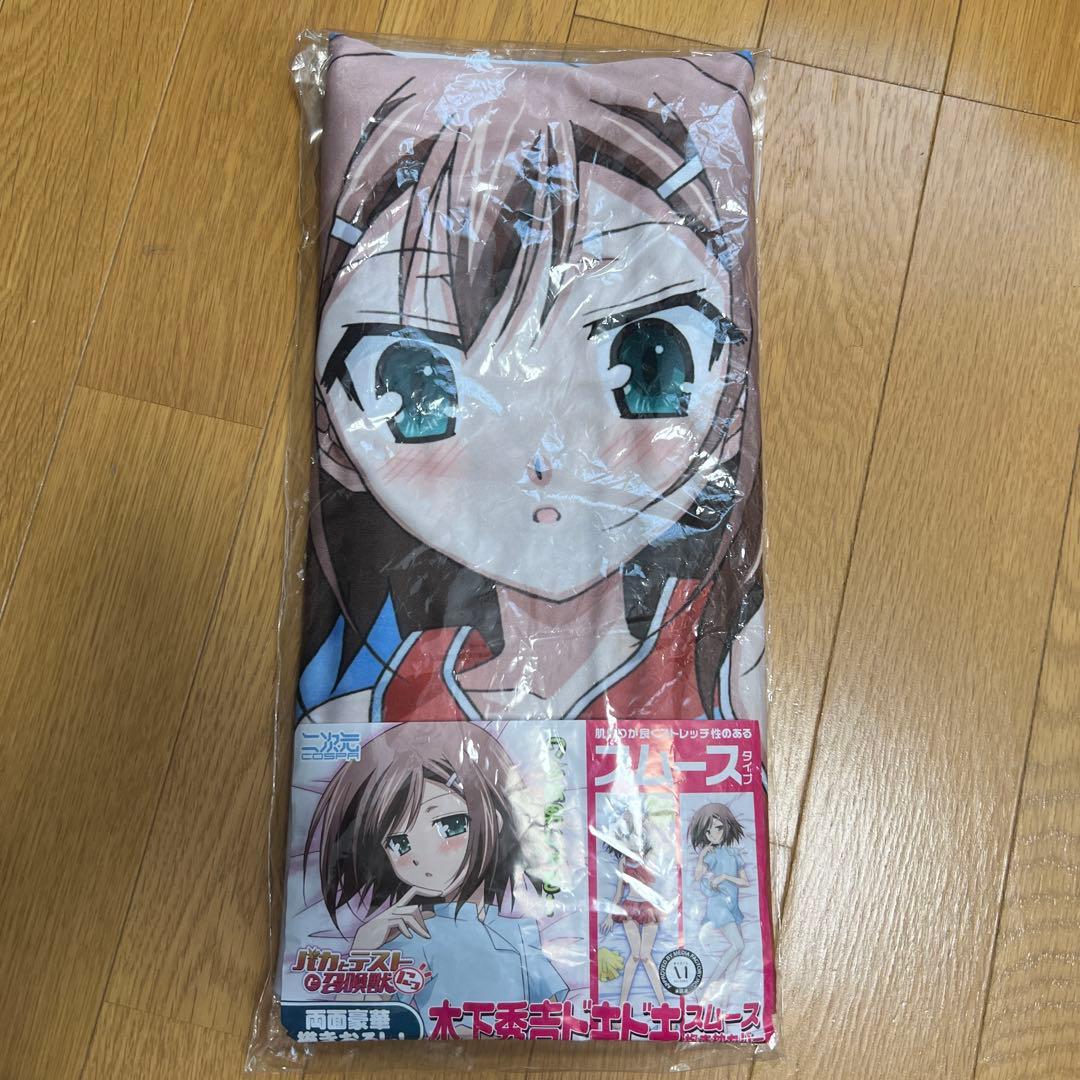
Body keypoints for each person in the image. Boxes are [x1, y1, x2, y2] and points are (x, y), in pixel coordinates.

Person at [296, 47, 766, 727]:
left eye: (650, 358)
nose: (542, 454)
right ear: (335, 435)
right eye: (417, 384)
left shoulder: (724, 661)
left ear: (730, 387)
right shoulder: (372, 709)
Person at [687, 802, 749, 997]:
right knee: (738, 945)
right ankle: (705, 989)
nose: (713, 834)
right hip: (718, 905)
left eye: (718, 828)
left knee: (737, 951)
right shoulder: (711, 854)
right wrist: (701, 858)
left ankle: (724, 997)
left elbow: (744, 882)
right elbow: (698, 876)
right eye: (708, 831)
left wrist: (724, 877)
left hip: (732, 906)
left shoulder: (734, 853)